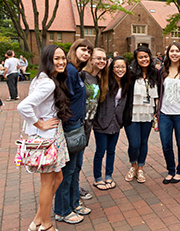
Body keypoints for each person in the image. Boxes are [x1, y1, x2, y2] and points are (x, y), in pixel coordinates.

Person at [17, 45, 72, 231]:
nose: (61, 61)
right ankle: (46, 225)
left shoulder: (42, 79)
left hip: (50, 136)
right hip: (47, 138)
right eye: (56, 58)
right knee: (47, 184)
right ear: (48, 60)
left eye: (63, 58)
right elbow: (23, 107)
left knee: (57, 178)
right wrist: (40, 124)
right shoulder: (48, 82)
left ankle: (37, 220)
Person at [54, 39, 93, 224]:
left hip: (78, 124)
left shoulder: (76, 72)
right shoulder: (69, 70)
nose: (86, 53)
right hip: (71, 126)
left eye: (88, 51)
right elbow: (61, 98)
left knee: (76, 168)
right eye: (83, 49)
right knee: (68, 170)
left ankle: (74, 203)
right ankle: (62, 210)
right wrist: (68, 121)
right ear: (74, 49)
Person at [157, 42, 180, 184]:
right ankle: (171, 170)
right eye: (172, 51)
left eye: (177, 51)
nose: (174, 53)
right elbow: (159, 91)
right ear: (168, 53)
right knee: (166, 144)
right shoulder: (162, 71)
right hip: (165, 113)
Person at [93, 56, 129, 190]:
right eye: (117, 66)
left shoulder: (126, 83)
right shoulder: (105, 81)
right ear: (112, 68)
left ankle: (109, 175)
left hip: (116, 123)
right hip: (102, 122)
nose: (120, 69)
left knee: (112, 151)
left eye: (123, 66)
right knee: (100, 151)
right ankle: (97, 178)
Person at [123, 47, 158, 184]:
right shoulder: (130, 74)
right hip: (132, 113)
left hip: (148, 113)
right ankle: (133, 165)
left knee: (144, 142)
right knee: (134, 143)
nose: (144, 59)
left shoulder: (155, 73)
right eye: (141, 57)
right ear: (136, 60)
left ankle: (140, 167)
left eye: (146, 56)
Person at [78, 47, 108, 198]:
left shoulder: (99, 78)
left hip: (88, 125)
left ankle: (74, 187)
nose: (101, 61)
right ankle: (71, 190)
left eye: (104, 58)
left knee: (79, 158)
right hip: (77, 125)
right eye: (98, 58)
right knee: (73, 159)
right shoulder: (82, 75)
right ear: (90, 60)